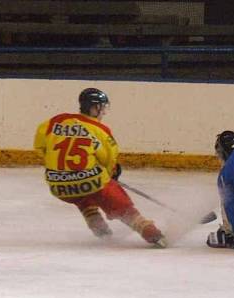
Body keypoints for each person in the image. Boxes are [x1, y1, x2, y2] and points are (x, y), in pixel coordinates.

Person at [33, 88, 167, 248]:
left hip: (57, 186)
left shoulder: (54, 122)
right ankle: (151, 232)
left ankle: (98, 227)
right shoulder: (101, 131)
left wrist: (60, 169)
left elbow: (40, 148)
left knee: (80, 195)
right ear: (94, 108)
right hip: (91, 182)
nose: (103, 111)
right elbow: (108, 161)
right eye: (102, 107)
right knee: (118, 203)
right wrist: (110, 174)